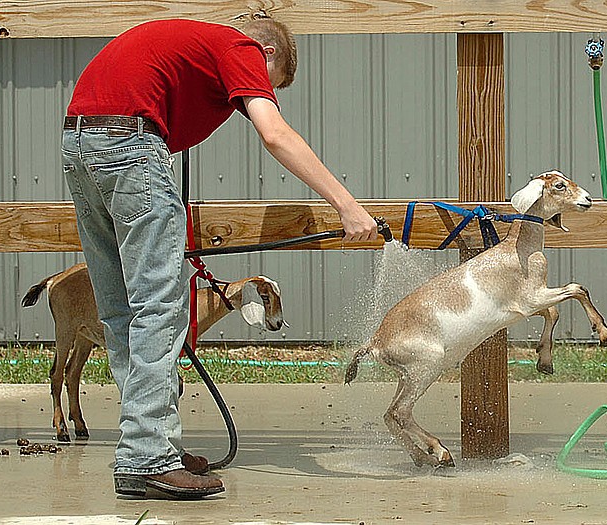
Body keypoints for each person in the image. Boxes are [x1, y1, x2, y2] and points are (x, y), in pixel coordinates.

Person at [61, 15, 377, 500]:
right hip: (130, 147)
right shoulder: (241, 48)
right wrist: (348, 206)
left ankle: (146, 446)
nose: (252, 96)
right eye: (267, 84)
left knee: (122, 309)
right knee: (159, 310)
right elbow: (274, 134)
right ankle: (149, 456)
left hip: (80, 145)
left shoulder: (192, 43)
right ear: (267, 55)